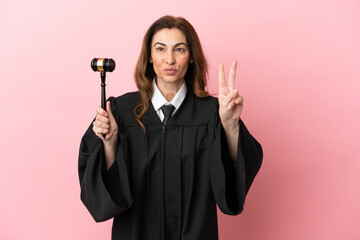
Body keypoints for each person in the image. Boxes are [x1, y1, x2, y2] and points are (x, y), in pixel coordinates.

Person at [78, 15, 263, 240]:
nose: (169, 60)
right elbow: (100, 194)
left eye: (179, 49)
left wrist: (231, 126)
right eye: (160, 49)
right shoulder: (120, 112)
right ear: (149, 57)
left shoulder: (213, 113)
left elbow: (234, 182)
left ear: (192, 57)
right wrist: (110, 144)